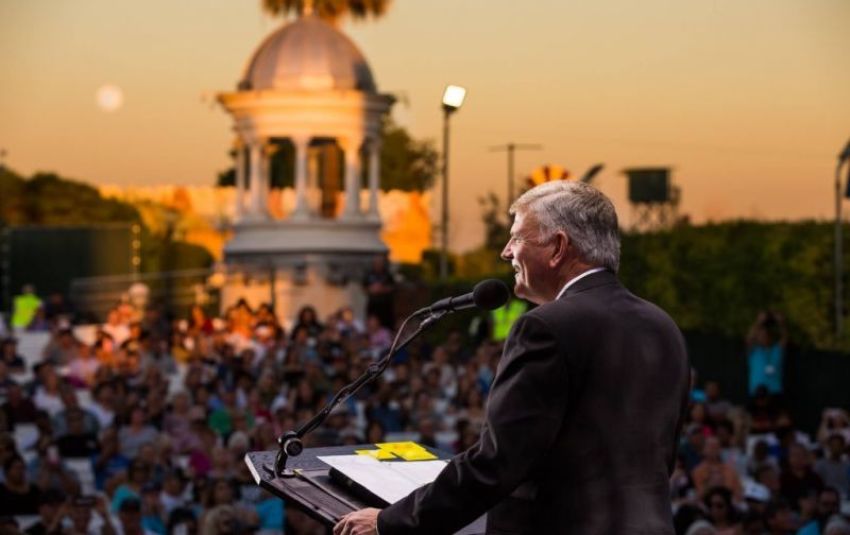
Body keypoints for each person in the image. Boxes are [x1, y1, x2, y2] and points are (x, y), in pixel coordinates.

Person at [335, 181, 690, 534]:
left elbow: (497, 462)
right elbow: (660, 460)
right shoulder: (663, 327)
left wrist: (389, 522)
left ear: (558, 247)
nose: (506, 252)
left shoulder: (545, 327)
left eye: (517, 237)